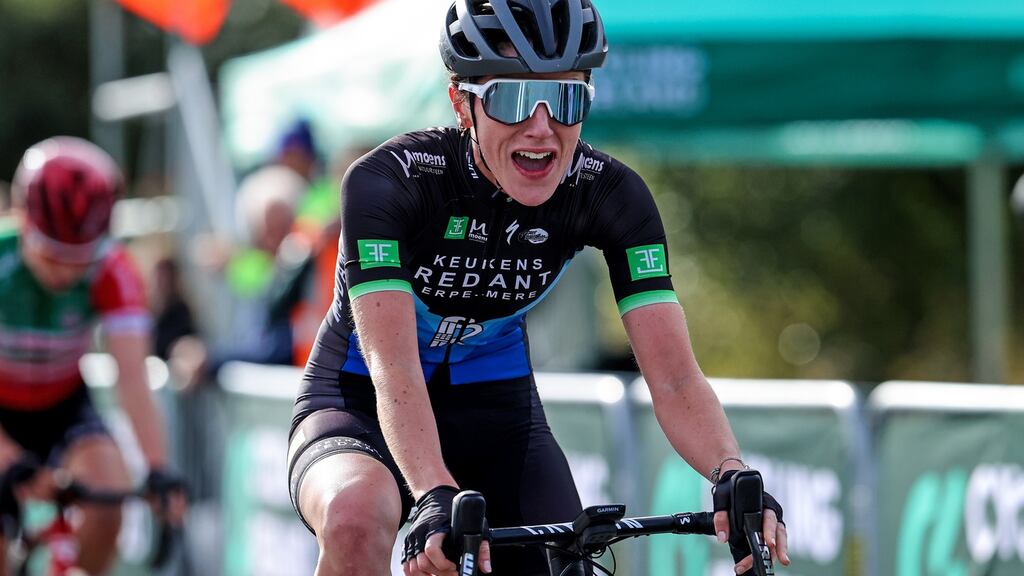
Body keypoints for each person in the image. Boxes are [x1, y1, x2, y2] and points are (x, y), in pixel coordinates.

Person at [287, 1, 789, 575]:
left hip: (496, 407)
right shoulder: (391, 182)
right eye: (513, 97)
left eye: (567, 99)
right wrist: (432, 492)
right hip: (360, 400)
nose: (542, 129)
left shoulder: (610, 195)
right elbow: (393, 368)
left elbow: (674, 377)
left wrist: (731, 472)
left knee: (564, 563)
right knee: (355, 517)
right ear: (462, 103)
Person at [0, 136, 185, 574]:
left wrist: (159, 469)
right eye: (52, 256)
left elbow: (133, 381)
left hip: (62, 401)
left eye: (79, 260)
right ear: (23, 222)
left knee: (109, 498)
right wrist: (9, 460)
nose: (66, 272)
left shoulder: (114, 269)